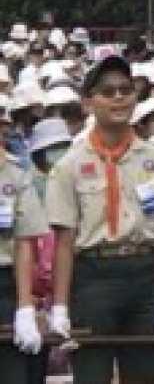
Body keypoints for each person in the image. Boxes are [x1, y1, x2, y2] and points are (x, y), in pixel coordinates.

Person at [46, 55, 154, 384]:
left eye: (126, 90)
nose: (119, 98)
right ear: (88, 102)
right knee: (92, 373)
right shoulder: (69, 165)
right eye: (107, 92)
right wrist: (60, 305)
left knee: (144, 374)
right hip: (94, 275)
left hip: (146, 271)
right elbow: (64, 243)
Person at [0, 123, 50, 381]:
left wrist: (24, 307)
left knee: (13, 372)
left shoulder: (16, 176)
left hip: (6, 283)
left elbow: (24, 244)